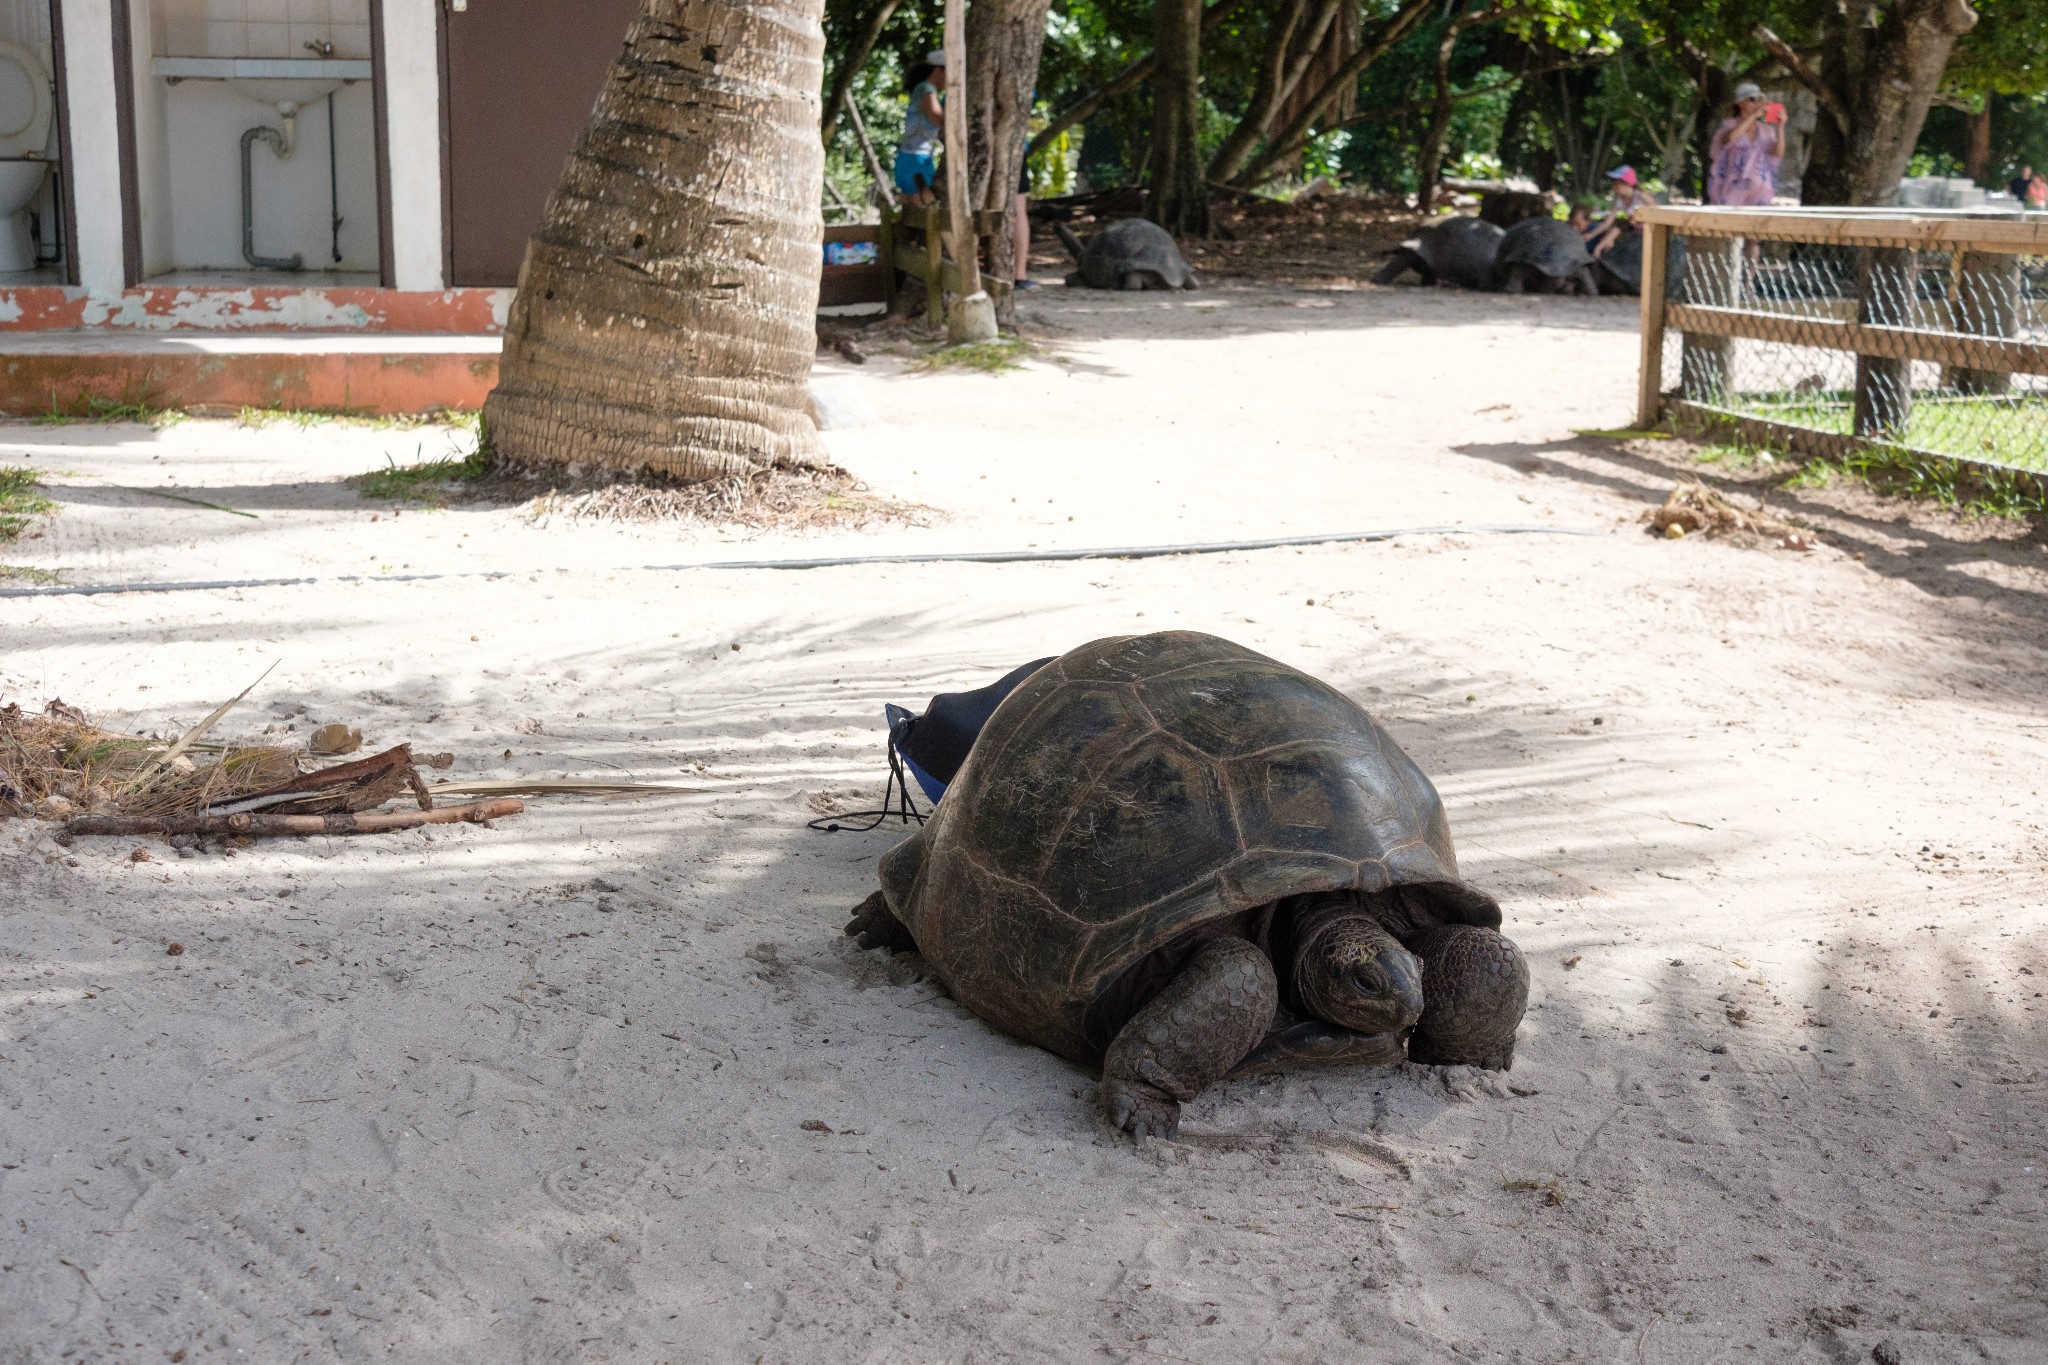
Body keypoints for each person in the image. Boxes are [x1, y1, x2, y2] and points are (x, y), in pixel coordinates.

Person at [1708, 82, 1784, 207]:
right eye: (1752, 99)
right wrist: (1754, 115)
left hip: (1760, 192)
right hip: (1732, 191)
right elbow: (1730, 138)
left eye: (1759, 99)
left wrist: (1781, 127)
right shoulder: (1729, 125)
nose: (1757, 103)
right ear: (1740, 102)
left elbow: (1777, 153)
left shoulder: (1766, 130)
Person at [893, 52, 946, 204]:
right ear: (938, 70)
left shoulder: (923, 89)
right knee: (924, 209)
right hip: (914, 161)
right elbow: (936, 117)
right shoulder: (926, 88)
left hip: (916, 159)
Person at [1584, 165, 1647, 259]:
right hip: (1632, 230)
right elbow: (1607, 222)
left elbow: (1656, 210)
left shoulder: (1641, 196)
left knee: (1618, 229)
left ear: (1628, 184)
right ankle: (1597, 252)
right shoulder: (1619, 201)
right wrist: (1590, 235)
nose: (1614, 188)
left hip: (1646, 230)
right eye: (1614, 184)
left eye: (1617, 185)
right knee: (1612, 235)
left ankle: (1597, 251)